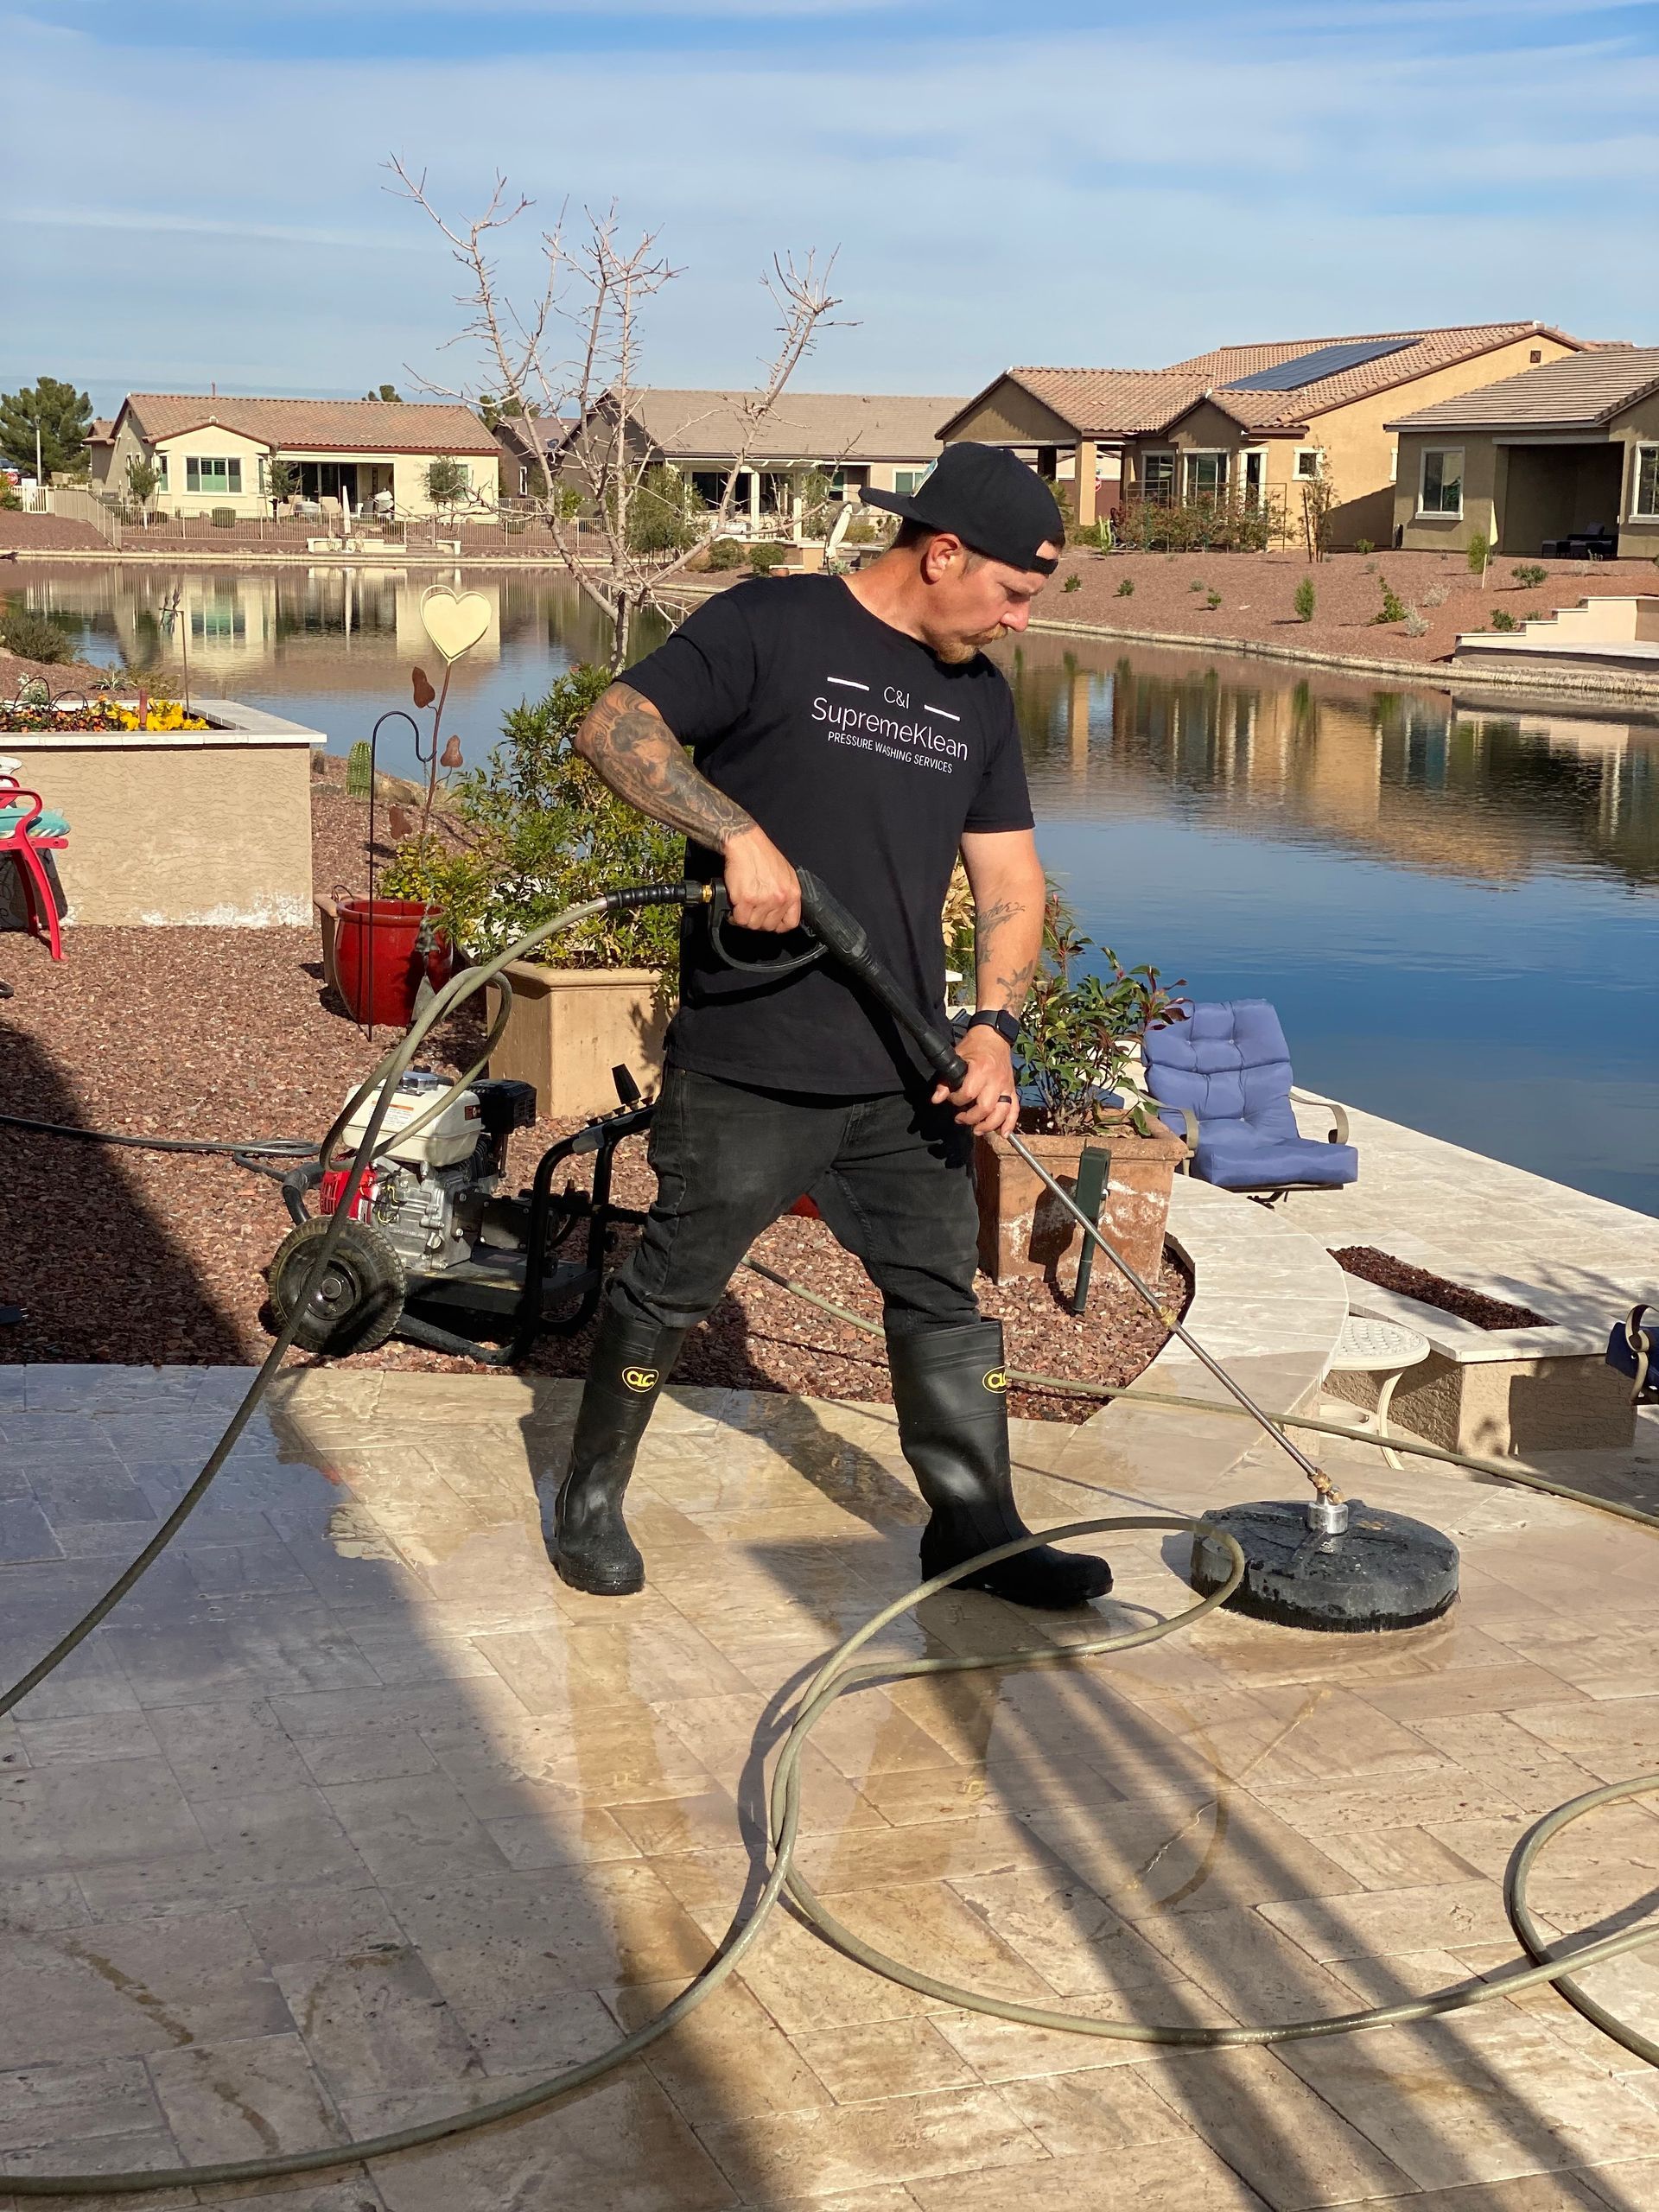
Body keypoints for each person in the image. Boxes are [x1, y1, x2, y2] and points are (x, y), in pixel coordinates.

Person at [547, 442, 1112, 1611]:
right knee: (673, 1283)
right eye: (1010, 593)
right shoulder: (773, 626)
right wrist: (735, 833)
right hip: (757, 1054)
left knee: (941, 1299)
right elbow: (615, 726)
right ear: (942, 552)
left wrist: (995, 1027)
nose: (1015, 621)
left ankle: (974, 1528)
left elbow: (1012, 881)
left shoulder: (979, 700)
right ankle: (589, 1498)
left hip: (906, 1069)